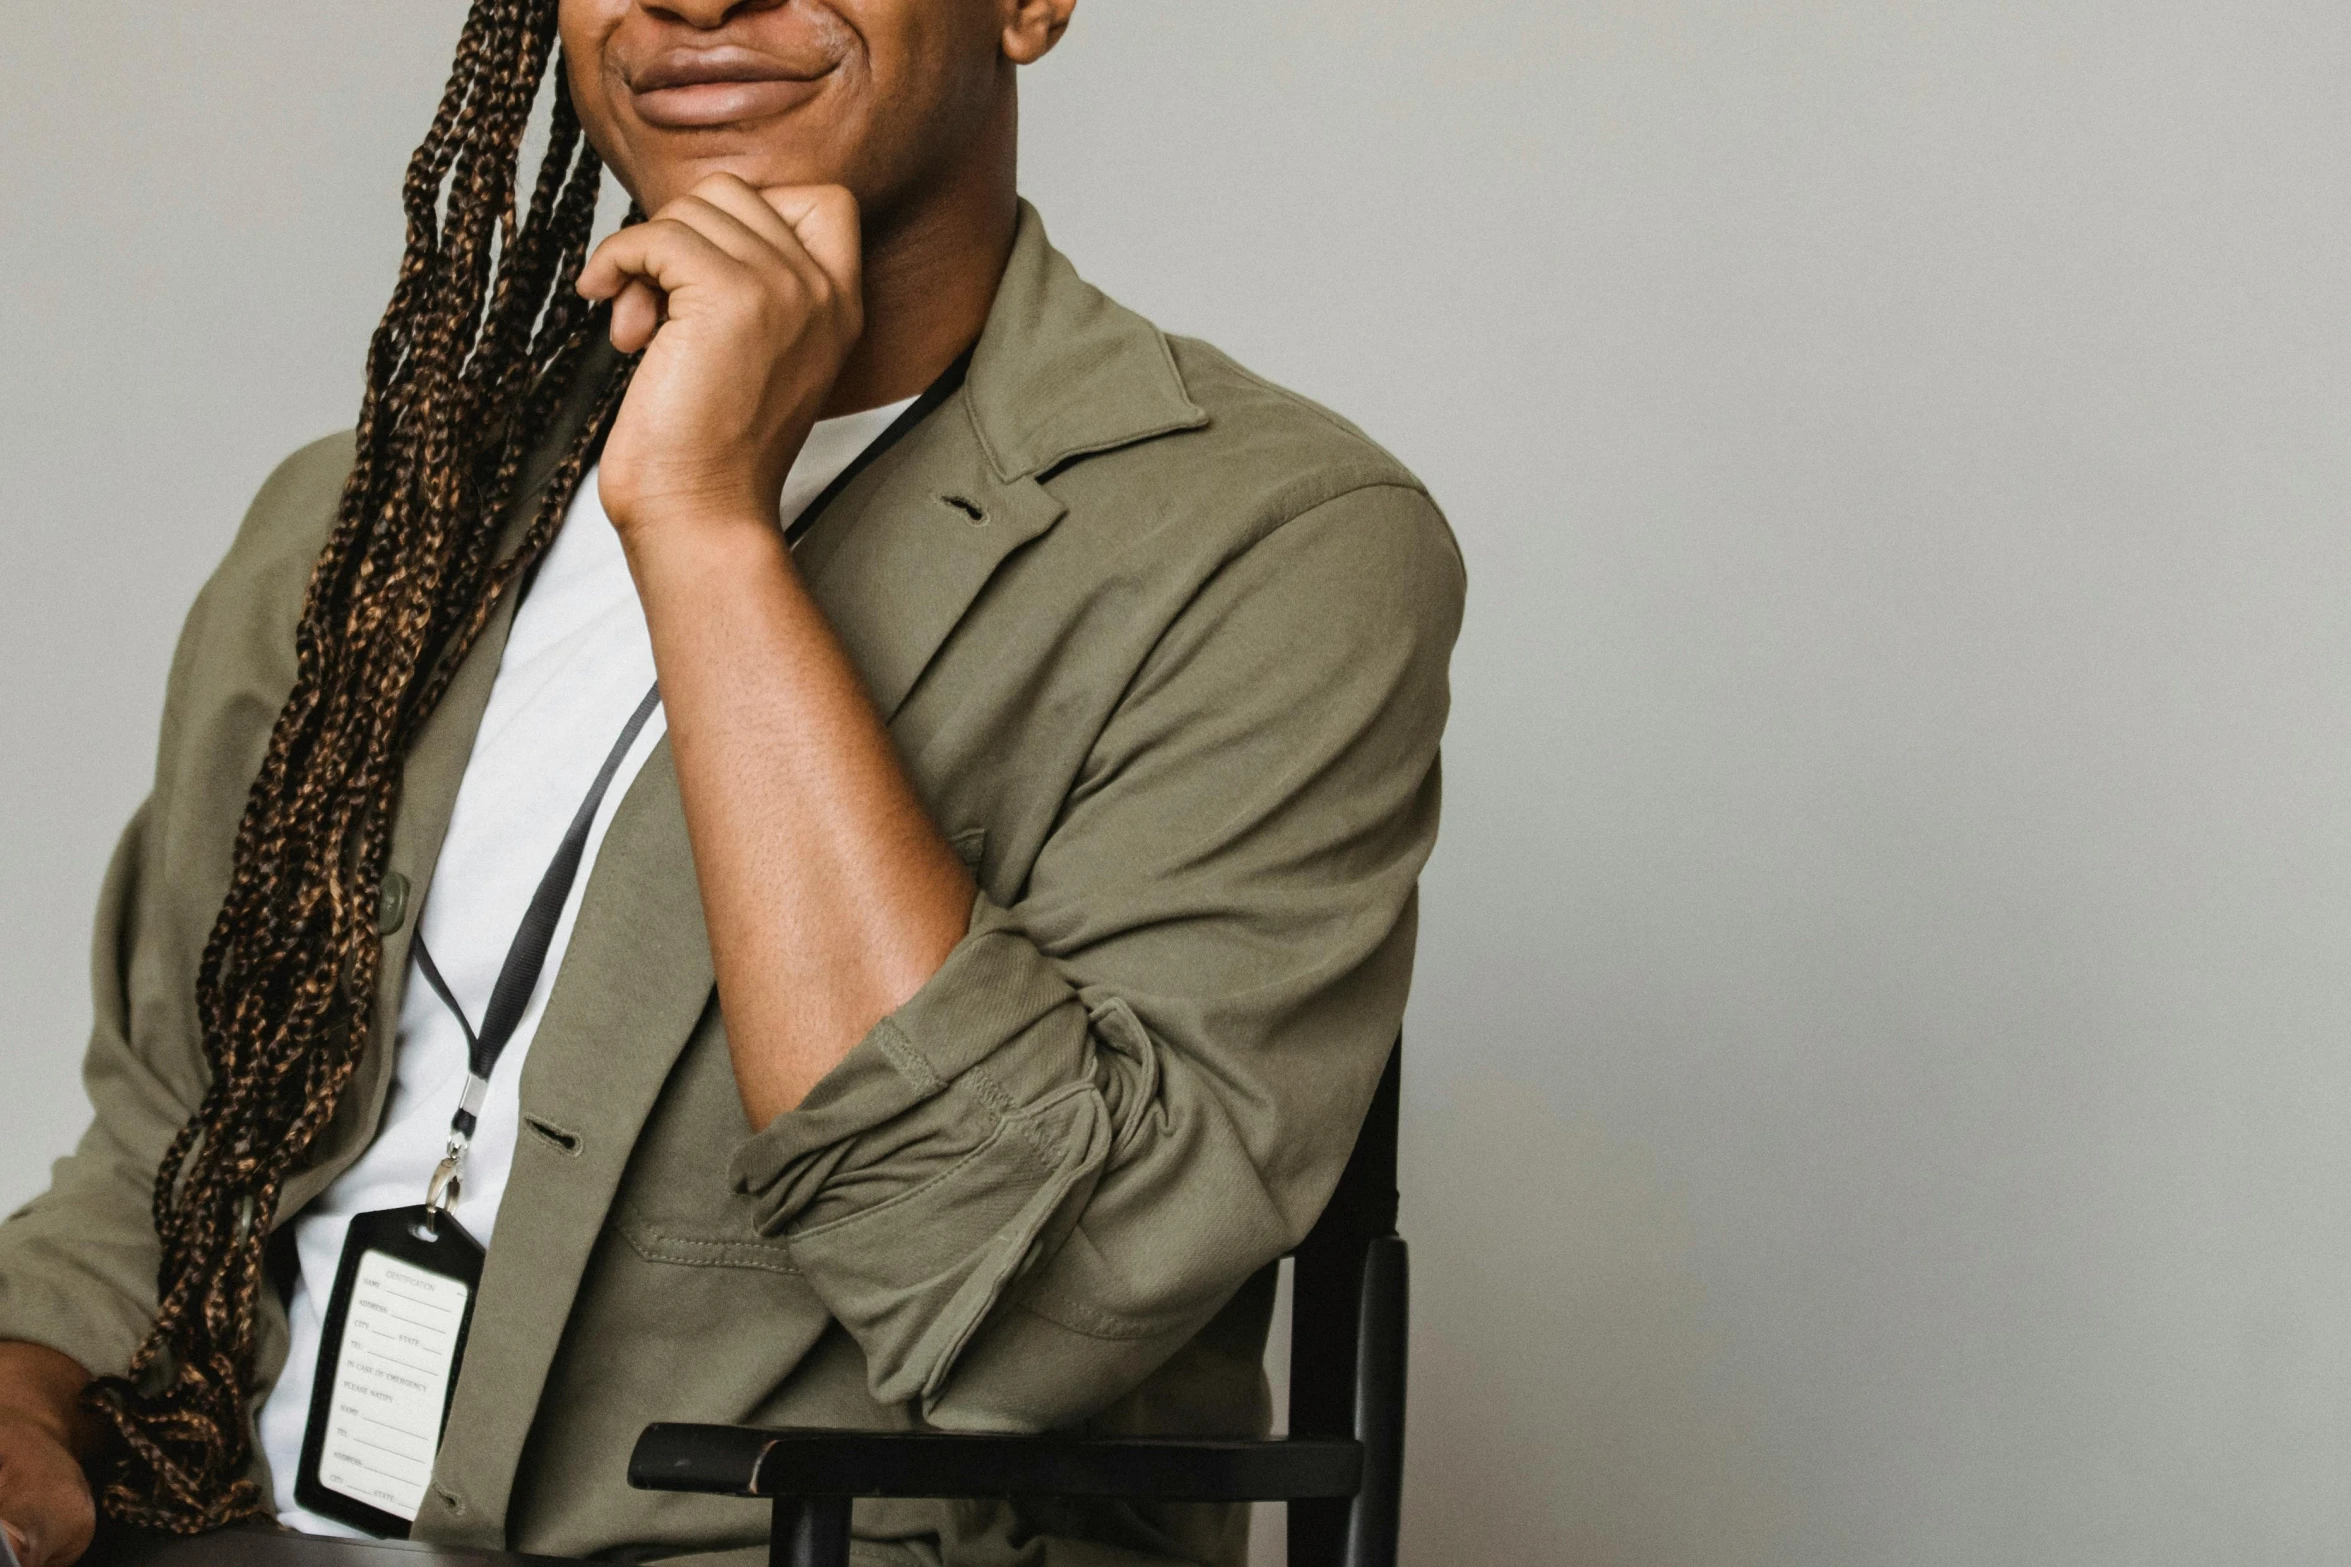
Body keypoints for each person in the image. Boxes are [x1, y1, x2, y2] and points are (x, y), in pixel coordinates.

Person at [0, 0, 1463, 1562]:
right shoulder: (364, 527)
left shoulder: (1268, 548)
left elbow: (1040, 1306)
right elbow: (164, 1140)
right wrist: (26, 1393)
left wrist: (705, 521)